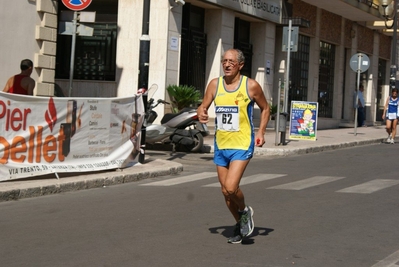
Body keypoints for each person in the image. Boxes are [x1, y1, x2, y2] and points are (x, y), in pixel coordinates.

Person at [197, 49, 270, 244]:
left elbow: (265, 108)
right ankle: (241, 224)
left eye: (231, 61)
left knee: (231, 187)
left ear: (240, 65)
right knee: (225, 192)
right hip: (221, 144)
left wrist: (261, 132)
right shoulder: (215, 84)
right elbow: (202, 106)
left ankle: (245, 210)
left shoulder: (251, 86)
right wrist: (202, 113)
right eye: (224, 61)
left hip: (242, 143)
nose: (227, 64)